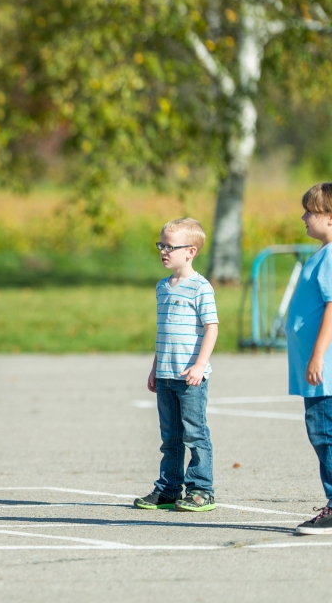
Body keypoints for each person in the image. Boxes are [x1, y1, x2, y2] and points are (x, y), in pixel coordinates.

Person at [133, 218, 219, 513]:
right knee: (170, 437)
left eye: (170, 246)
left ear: (190, 251)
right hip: (167, 374)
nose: (164, 251)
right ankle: (168, 489)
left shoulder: (200, 287)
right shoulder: (162, 287)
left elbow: (212, 328)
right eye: (161, 245)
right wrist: (155, 368)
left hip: (190, 377)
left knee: (195, 433)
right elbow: (164, 333)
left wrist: (199, 365)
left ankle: (201, 489)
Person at [285, 183, 332, 534]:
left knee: (324, 434)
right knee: (322, 434)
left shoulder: (331, 257)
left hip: (324, 371)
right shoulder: (320, 254)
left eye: (311, 212)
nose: (304, 217)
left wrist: (317, 355)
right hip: (316, 372)